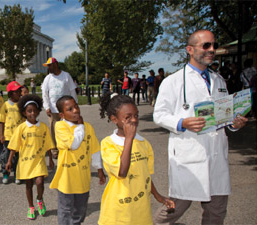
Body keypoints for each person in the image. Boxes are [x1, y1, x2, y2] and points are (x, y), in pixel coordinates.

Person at [153, 30, 248, 224]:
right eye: (206, 46)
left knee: (217, 211)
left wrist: (235, 124)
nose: (211, 50)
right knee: (175, 209)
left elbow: (225, 116)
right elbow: (159, 115)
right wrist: (182, 123)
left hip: (216, 156)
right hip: (189, 155)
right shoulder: (173, 81)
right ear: (190, 49)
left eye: (213, 45)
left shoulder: (219, 80)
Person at [98, 94, 174, 225]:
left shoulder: (143, 143)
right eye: (127, 117)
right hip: (119, 211)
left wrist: (158, 196)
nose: (134, 120)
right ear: (114, 119)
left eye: (136, 115)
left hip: (141, 210)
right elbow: (122, 172)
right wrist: (129, 139)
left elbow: (145, 176)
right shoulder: (108, 143)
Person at [49, 95, 106, 225]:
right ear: (62, 115)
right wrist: (80, 127)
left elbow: (95, 149)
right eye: (70, 109)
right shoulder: (60, 127)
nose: (75, 110)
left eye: (76, 106)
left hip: (83, 177)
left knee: (81, 209)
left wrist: (99, 169)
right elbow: (74, 144)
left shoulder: (88, 127)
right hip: (67, 177)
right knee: (65, 209)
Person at [6, 94, 55, 220]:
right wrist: (9, 161)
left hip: (39, 160)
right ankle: (31, 206)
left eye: (34, 110)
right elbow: (14, 145)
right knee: (28, 185)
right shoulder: (21, 128)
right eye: (29, 111)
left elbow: (48, 144)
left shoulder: (43, 127)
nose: (32, 113)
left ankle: (39, 199)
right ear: (24, 112)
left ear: (39, 111)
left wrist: (50, 159)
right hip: (25, 161)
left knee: (39, 182)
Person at [41, 57, 78, 159]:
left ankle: (67, 146)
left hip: (66, 109)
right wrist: (47, 106)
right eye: (47, 66)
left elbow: (72, 90)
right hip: (53, 109)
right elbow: (44, 93)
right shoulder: (48, 78)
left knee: (68, 128)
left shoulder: (66, 76)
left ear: (56, 65)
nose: (49, 68)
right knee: (53, 129)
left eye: (50, 65)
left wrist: (75, 105)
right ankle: (54, 150)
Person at [0, 81, 25, 184]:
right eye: (16, 91)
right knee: (6, 156)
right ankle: (5, 173)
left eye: (19, 91)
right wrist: (1, 135)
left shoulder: (22, 105)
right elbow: (1, 121)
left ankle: (17, 174)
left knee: (19, 156)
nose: (19, 93)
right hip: (8, 136)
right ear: (10, 93)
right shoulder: (6, 105)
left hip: (20, 136)